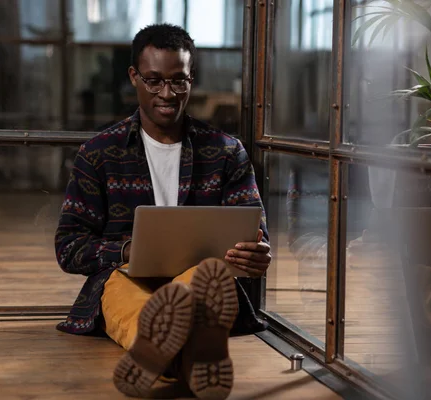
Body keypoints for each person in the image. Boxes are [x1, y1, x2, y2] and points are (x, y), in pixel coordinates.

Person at [54, 24, 272, 399]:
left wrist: (255, 255)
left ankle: (162, 354)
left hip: (202, 277)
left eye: (178, 81)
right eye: (154, 81)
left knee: (208, 274)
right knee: (119, 286)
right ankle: (183, 352)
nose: (167, 94)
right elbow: (69, 247)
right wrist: (127, 251)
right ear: (134, 77)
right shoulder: (99, 153)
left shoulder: (225, 151)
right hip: (125, 276)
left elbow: (256, 235)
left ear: (192, 78)